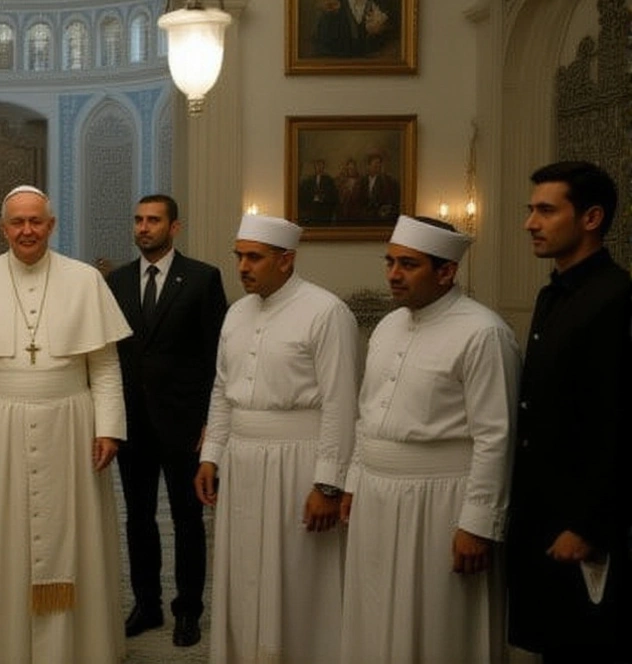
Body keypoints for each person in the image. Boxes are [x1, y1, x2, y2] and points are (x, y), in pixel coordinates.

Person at [0, 185, 131, 663]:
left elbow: (104, 366)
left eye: (35, 221)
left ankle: (80, 649)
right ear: (3, 229)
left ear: (51, 225)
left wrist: (109, 427)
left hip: (71, 423)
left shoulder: (85, 281)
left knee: (77, 538)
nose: (27, 230)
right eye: (17, 223)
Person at [339, 215, 520, 663]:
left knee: (440, 623)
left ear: (446, 271)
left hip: (443, 503)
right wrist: (354, 480)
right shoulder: (387, 327)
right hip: (378, 497)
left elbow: (495, 436)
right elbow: (367, 415)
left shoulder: (484, 332)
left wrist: (477, 523)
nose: (393, 275)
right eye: (390, 262)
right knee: (376, 611)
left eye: (408, 264)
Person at [193, 214, 359, 663]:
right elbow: (222, 390)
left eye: (254, 257)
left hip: (298, 464)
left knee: (297, 575)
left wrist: (328, 484)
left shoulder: (326, 312)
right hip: (242, 460)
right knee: (244, 570)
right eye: (239, 256)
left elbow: (340, 403)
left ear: (286, 260)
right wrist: (212, 455)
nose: (243, 266)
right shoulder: (236, 312)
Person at [507, 161, 632, 661]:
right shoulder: (553, 293)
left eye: (545, 210)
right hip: (543, 514)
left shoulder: (617, 297)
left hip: (582, 525)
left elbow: (618, 422)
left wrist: (587, 525)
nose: (530, 223)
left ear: (591, 218)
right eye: (530, 210)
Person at [106, 194, 226, 647]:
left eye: (153, 220)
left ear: (174, 227)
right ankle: (147, 603)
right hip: (133, 425)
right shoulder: (115, 282)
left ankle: (188, 611)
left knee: (187, 520)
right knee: (137, 519)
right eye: (138, 220)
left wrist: (211, 425)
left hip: (185, 425)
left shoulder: (201, 279)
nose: (143, 228)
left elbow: (218, 357)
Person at [342, 153, 400, 221]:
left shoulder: (386, 181)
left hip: (379, 217)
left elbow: (390, 201)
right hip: (363, 217)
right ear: (368, 166)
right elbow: (357, 200)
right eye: (375, 164)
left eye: (379, 164)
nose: (378, 166)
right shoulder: (362, 181)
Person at [297, 159, 339, 225]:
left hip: (324, 210)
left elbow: (332, 195)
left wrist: (323, 198)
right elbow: (306, 195)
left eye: (321, 166)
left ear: (323, 167)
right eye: (317, 166)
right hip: (313, 210)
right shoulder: (309, 180)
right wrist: (313, 197)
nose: (319, 168)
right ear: (315, 167)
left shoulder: (329, 180)